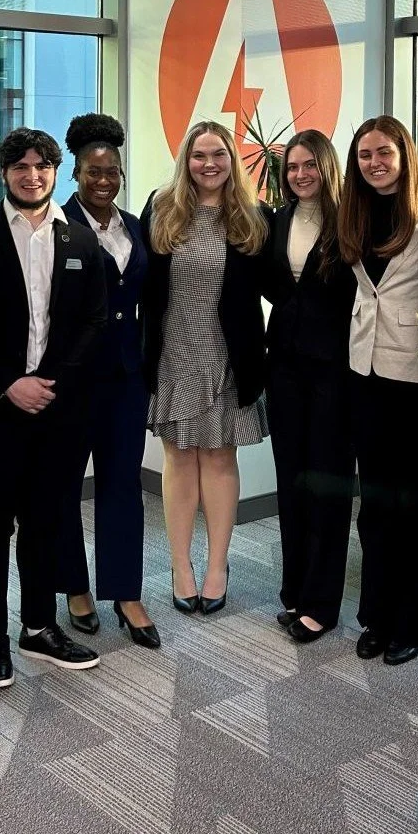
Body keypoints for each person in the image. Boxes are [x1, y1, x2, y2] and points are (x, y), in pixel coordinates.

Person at [0, 128, 107, 685]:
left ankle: (38, 627)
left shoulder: (79, 240)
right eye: (21, 166)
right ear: (4, 172)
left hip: (59, 408)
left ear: (56, 171)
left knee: (47, 518)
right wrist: (9, 383)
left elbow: (92, 320)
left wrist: (50, 382)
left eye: (43, 166)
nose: (32, 176)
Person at [142, 120, 285, 616]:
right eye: (199, 155)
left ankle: (218, 567)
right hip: (173, 355)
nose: (209, 164)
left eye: (218, 155)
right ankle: (181, 566)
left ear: (232, 160)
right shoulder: (161, 208)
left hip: (229, 357)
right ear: (187, 160)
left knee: (221, 460)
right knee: (180, 458)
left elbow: (280, 287)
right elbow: (140, 283)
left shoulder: (254, 216)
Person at [338, 115, 418, 666]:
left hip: (415, 371)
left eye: (384, 153)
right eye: (364, 155)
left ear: (404, 155)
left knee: (416, 503)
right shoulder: (352, 211)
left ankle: (415, 622)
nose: (375, 163)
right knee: (375, 502)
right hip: (364, 370)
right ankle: (376, 615)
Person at [55, 114, 159, 649]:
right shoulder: (55, 225)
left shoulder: (135, 227)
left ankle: (125, 592)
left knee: (123, 484)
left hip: (124, 379)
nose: (103, 180)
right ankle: (75, 586)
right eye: (93, 171)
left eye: (112, 171)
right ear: (75, 173)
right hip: (72, 380)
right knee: (65, 485)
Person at [265, 129, 356, 644]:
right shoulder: (277, 220)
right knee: (292, 480)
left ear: (327, 166)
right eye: (292, 167)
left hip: (335, 370)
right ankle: (295, 592)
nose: (300, 174)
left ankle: (321, 603)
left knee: (327, 485)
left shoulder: (349, 220)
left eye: (309, 165)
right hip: (284, 367)